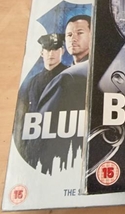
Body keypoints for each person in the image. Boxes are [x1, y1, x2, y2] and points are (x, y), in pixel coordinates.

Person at [33, 15, 92, 174]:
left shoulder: (68, 77)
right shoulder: (64, 75)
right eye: (69, 35)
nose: (73, 39)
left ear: (93, 34)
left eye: (80, 33)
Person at [18, 33, 68, 114]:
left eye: (55, 49)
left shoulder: (71, 75)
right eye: (48, 50)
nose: (51, 54)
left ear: (62, 51)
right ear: (41, 53)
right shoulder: (33, 82)